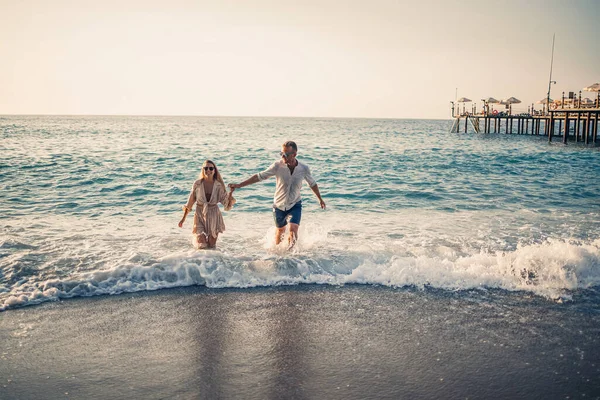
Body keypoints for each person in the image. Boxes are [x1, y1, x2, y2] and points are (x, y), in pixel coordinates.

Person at [229, 141, 325, 248]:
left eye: (286, 154)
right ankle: (277, 256)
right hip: (278, 205)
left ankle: (290, 257)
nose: (283, 156)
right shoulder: (277, 166)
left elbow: (312, 184)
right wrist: (239, 185)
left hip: (295, 204)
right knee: (280, 231)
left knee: (293, 229)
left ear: (294, 154)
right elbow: (259, 177)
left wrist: (320, 199)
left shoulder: (304, 168)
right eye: (281, 154)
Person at [179, 160, 235, 249]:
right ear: (203, 170)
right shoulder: (197, 184)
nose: (208, 170)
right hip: (199, 213)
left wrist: (231, 193)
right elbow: (190, 202)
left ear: (214, 170)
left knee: (211, 246)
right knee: (201, 244)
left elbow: (226, 203)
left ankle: (212, 262)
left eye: (211, 168)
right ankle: (199, 261)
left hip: (214, 215)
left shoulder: (218, 185)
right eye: (206, 168)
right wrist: (183, 219)